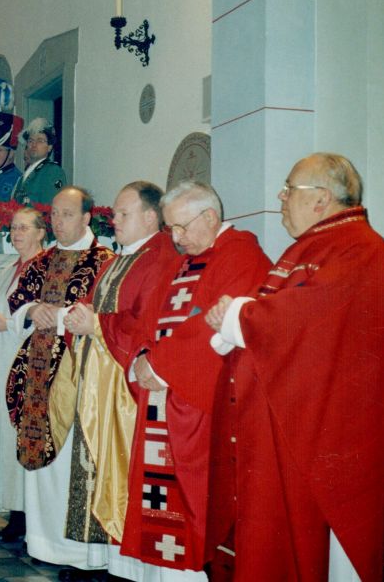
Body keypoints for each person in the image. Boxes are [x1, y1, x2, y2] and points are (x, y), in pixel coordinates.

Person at [204, 153, 384, 581]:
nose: (280, 197)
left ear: (321, 199)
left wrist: (240, 316)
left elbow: (309, 320)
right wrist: (239, 315)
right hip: (283, 427)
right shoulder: (313, 246)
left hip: (324, 435)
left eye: (290, 189)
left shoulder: (358, 249)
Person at [119, 181, 270, 580]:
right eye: (171, 229)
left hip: (202, 404)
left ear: (210, 217)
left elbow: (214, 328)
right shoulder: (181, 258)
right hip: (162, 400)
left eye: (182, 227)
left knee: (196, 504)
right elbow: (151, 316)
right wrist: (140, 359)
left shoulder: (242, 254)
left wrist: (162, 365)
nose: (177, 238)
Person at [58, 181, 179, 580]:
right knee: (96, 465)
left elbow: (147, 324)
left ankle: (128, 564)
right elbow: (100, 306)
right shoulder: (121, 257)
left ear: (150, 217)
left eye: (123, 215)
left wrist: (96, 323)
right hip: (98, 383)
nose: (115, 220)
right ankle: (102, 559)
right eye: (115, 214)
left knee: (120, 469)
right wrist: (83, 318)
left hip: (123, 391)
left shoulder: (160, 258)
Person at [4, 187, 114, 568]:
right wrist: (36, 309)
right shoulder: (41, 260)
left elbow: (108, 309)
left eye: (67, 214)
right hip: (36, 374)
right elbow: (17, 301)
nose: (58, 221)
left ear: (87, 218)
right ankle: (42, 542)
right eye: (54, 214)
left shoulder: (105, 261)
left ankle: (81, 552)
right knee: (42, 468)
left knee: (74, 461)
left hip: (80, 375)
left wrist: (63, 314)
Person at [0, 207, 47, 544]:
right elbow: (0, 310)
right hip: (3, 359)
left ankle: (27, 519)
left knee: (24, 436)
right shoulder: (10, 268)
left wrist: (5, 324)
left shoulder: (46, 266)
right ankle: (14, 514)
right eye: (13, 228)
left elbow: (44, 315)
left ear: (40, 232)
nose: (17, 233)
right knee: (5, 438)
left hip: (28, 363)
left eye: (24, 228)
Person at [11, 117, 67, 205]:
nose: (34, 145)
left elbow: (50, 210)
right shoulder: (25, 175)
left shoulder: (53, 172)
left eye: (40, 141)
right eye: (30, 140)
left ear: (49, 147)